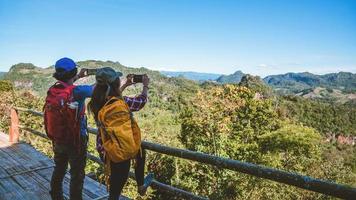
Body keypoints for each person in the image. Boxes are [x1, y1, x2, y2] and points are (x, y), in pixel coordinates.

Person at [88, 67, 153, 200]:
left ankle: (140, 185)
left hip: (105, 147)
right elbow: (141, 102)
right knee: (115, 192)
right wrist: (145, 86)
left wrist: (125, 85)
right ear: (115, 84)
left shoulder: (96, 101)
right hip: (119, 151)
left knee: (139, 152)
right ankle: (140, 185)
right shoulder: (122, 102)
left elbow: (114, 98)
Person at [44, 57, 93, 200]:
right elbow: (98, 88)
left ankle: (56, 196)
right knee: (77, 174)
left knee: (59, 168)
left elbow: (67, 85)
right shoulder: (79, 91)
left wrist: (78, 76)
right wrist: (104, 76)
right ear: (74, 72)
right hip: (75, 140)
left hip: (58, 139)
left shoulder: (53, 89)